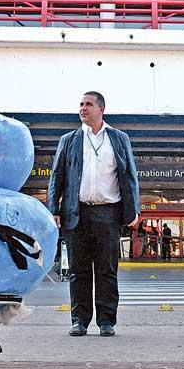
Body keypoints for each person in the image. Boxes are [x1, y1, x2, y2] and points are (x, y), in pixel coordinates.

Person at [47, 90, 141, 337]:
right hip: (76, 213)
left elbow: (129, 175)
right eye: (81, 104)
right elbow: (57, 176)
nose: (82, 108)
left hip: (108, 213)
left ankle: (107, 321)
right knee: (78, 271)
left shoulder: (119, 139)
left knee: (106, 270)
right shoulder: (69, 140)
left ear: (101, 109)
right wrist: (53, 209)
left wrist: (133, 209)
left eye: (88, 104)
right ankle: (79, 320)